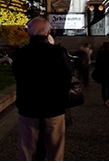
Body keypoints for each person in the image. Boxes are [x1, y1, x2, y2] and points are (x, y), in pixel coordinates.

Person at [12, 17, 73, 161]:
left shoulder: (20, 54)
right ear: (48, 33)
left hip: (28, 107)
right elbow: (68, 76)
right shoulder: (59, 53)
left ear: (29, 34)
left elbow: (18, 77)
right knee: (55, 149)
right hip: (54, 107)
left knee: (27, 149)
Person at [94, 41, 109, 106]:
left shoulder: (100, 53)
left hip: (102, 71)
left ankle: (105, 100)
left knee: (103, 86)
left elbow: (97, 63)